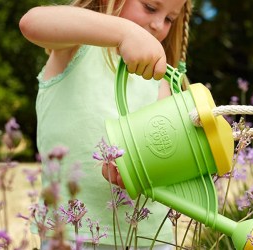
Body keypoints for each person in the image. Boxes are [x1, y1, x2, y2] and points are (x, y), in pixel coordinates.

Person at [19, 0, 192, 249]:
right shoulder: (76, 48)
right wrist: (125, 32)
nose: (158, 25)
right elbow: (32, 23)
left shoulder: (158, 79)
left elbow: (166, 154)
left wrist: (137, 172)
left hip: (149, 236)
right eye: (150, 8)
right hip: (72, 232)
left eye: (169, 19)